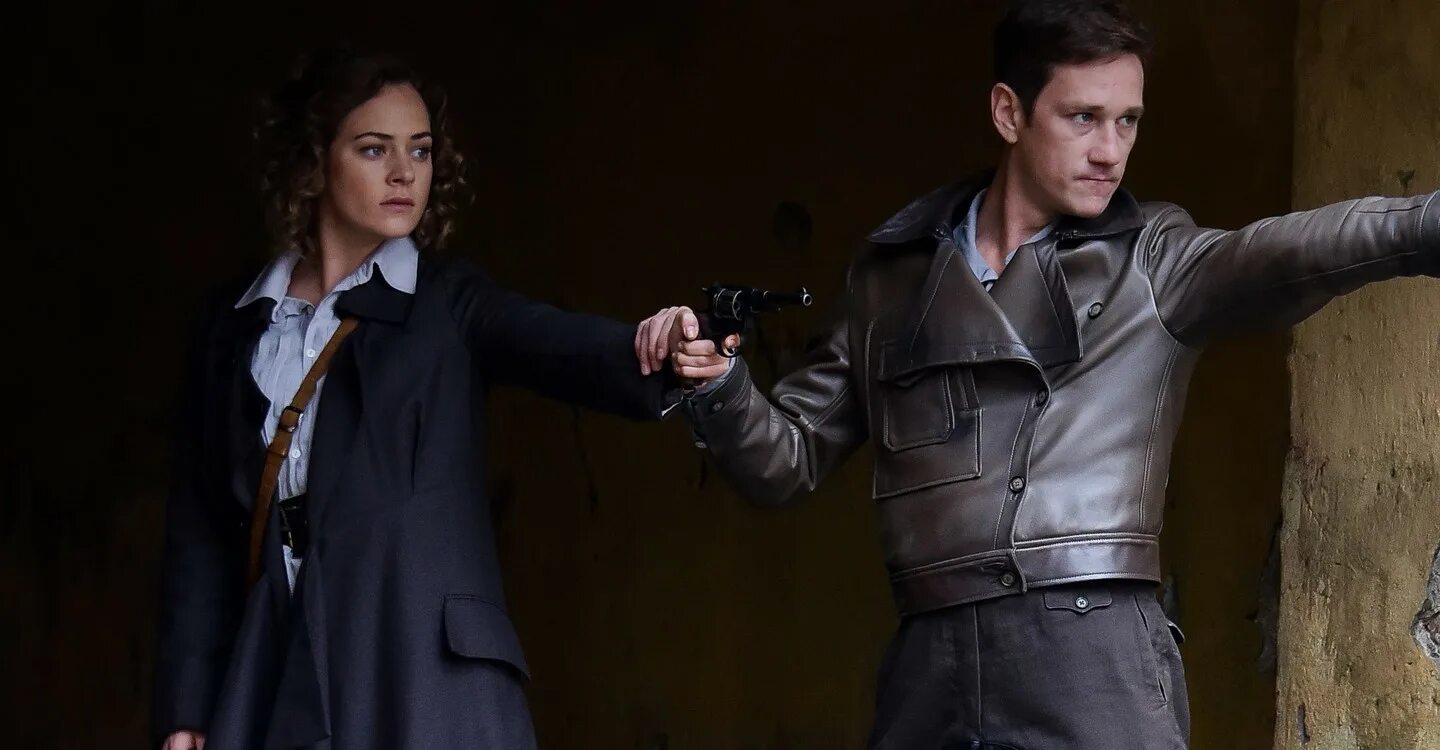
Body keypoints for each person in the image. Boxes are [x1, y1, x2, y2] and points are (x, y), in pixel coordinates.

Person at [669, 1, 1438, 747]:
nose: (1110, 150)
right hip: (930, 664)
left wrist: (1425, 224)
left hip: (1090, 652)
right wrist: (717, 381)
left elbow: (1302, 247)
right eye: (1083, 118)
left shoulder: (1153, 260)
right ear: (1009, 112)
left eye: (1127, 121)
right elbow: (785, 460)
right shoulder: (894, 278)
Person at [153, 49, 731, 750]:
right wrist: (188, 708)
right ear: (313, 160)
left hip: (428, 677)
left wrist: (665, 345)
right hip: (278, 673)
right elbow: (201, 528)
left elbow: (557, 343)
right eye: (375, 149)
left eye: (421, 150)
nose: (405, 173)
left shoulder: (449, 301)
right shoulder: (235, 323)